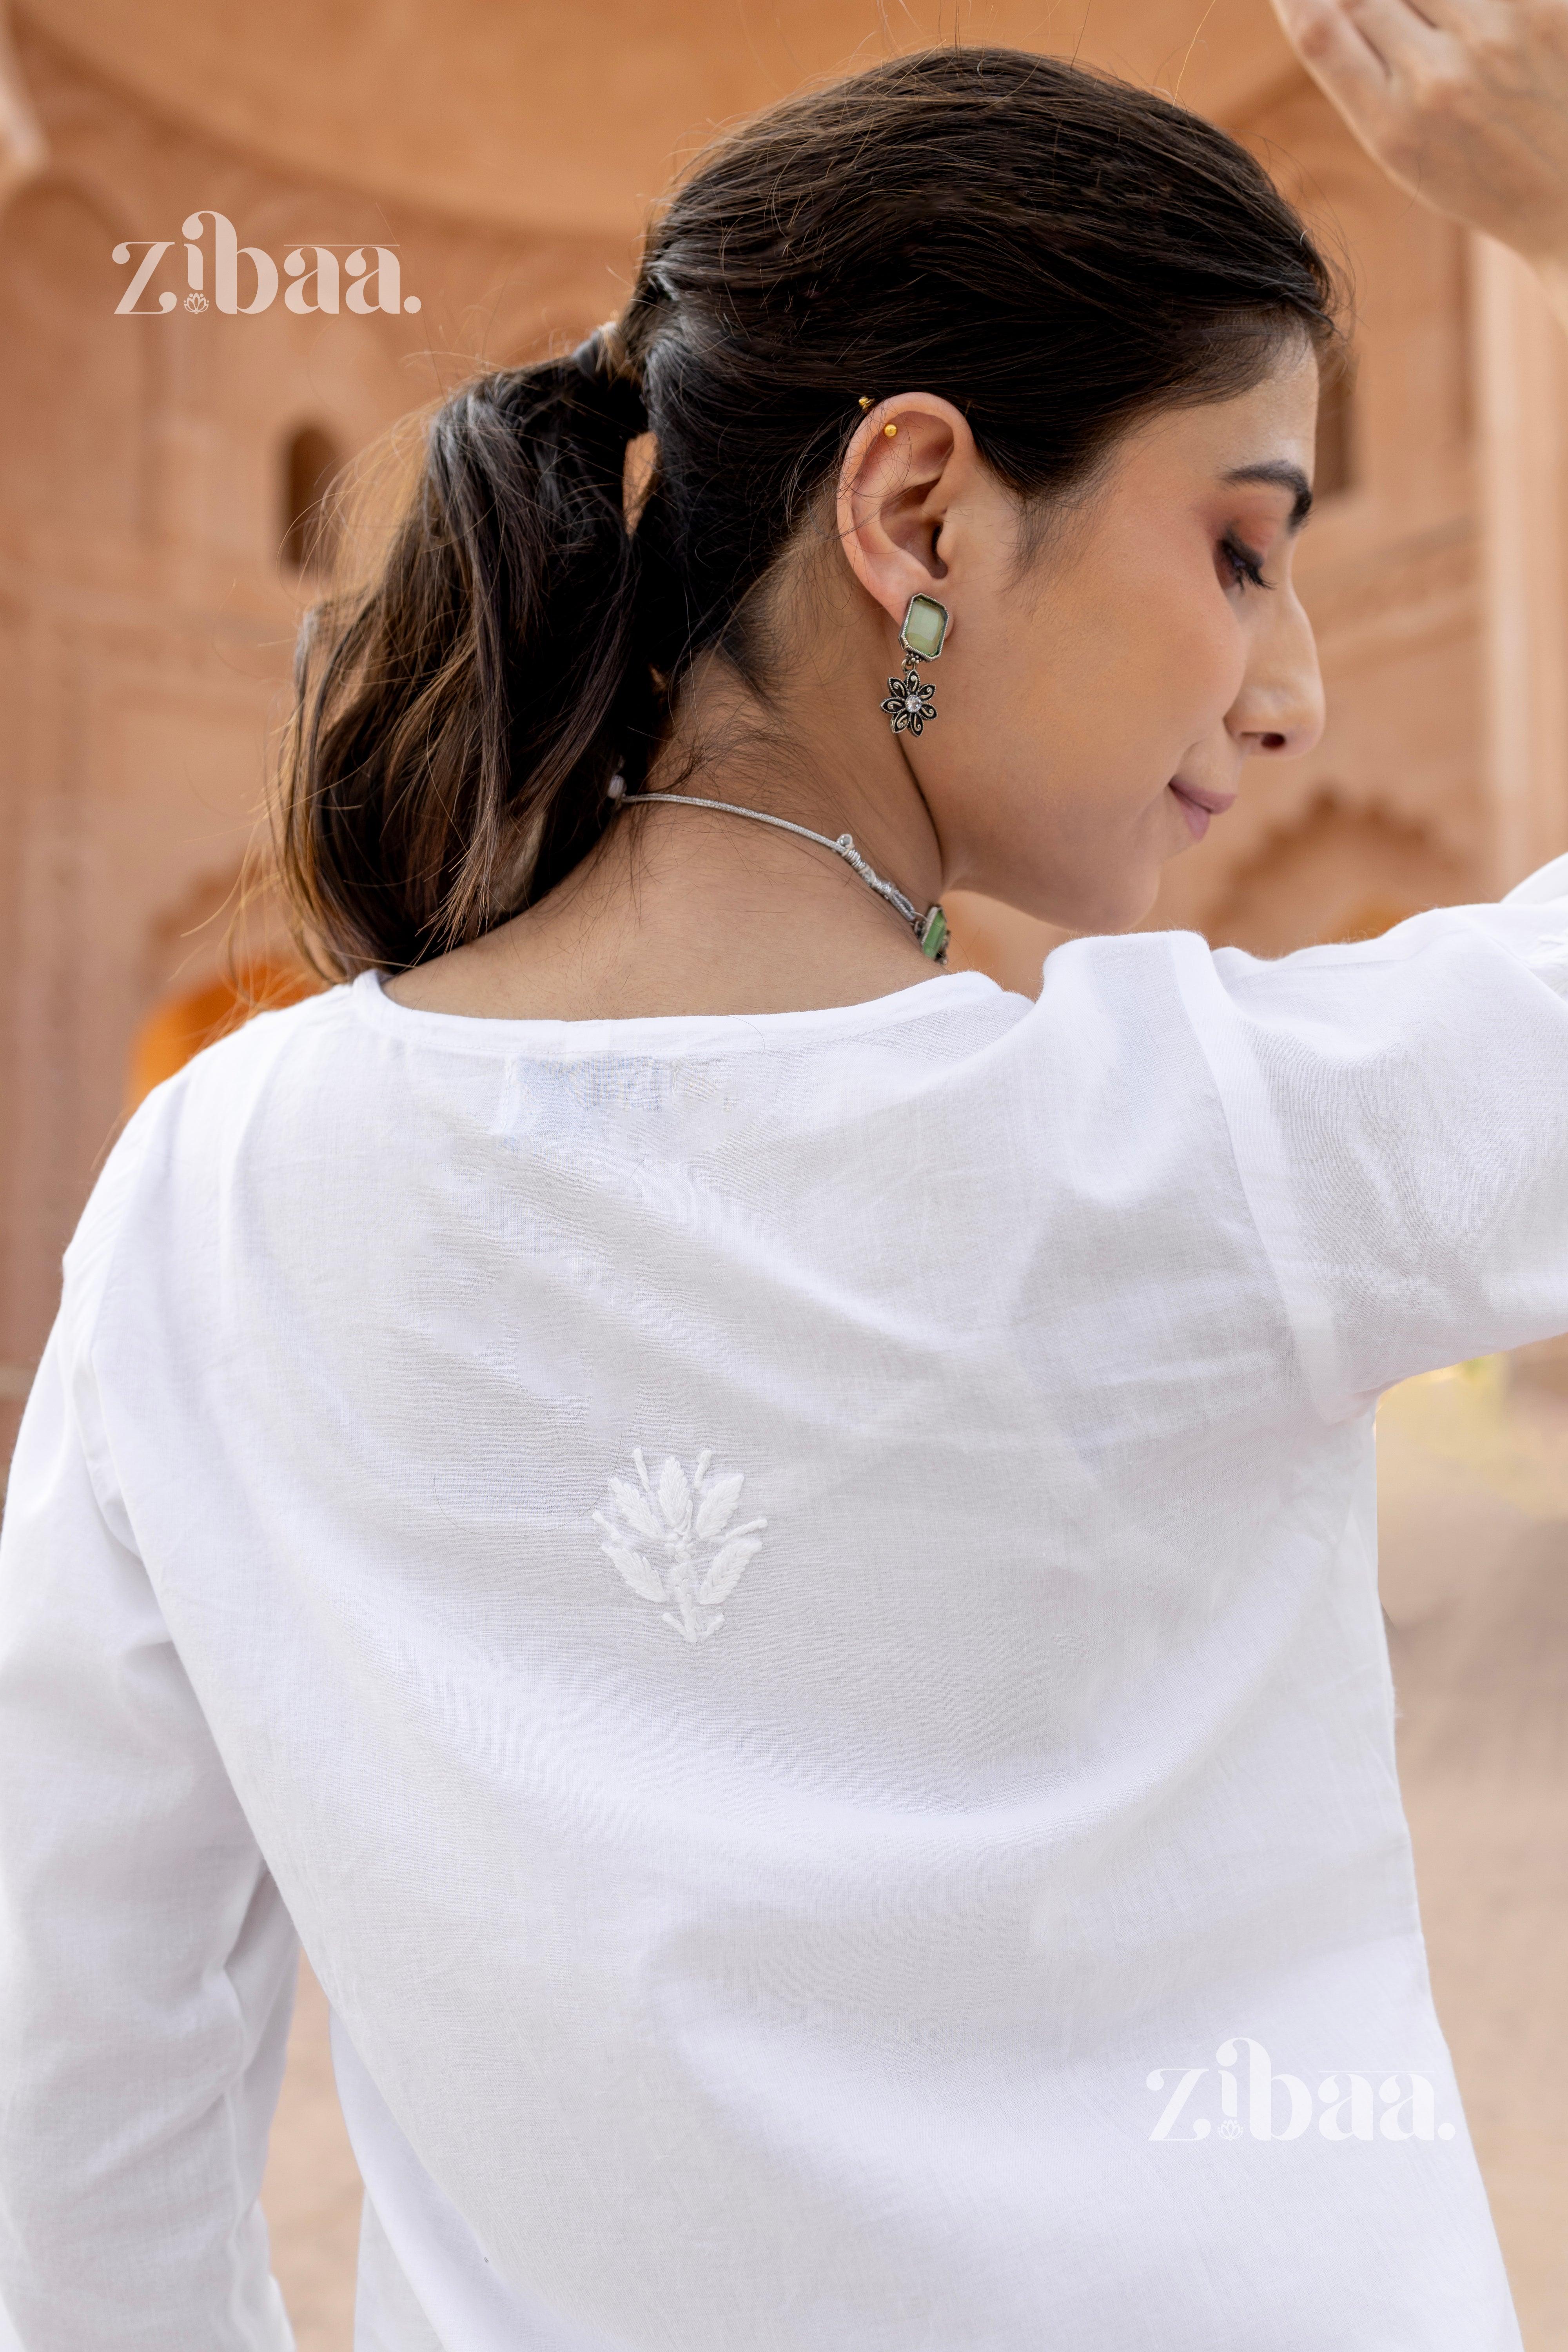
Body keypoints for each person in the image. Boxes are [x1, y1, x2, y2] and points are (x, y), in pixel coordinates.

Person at [2, 5, 1566, 2345]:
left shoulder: (215, 1192)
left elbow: (77, 2117)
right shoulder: (1220, 1149)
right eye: (1242, 547)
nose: (1290, 688)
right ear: (918, 512)